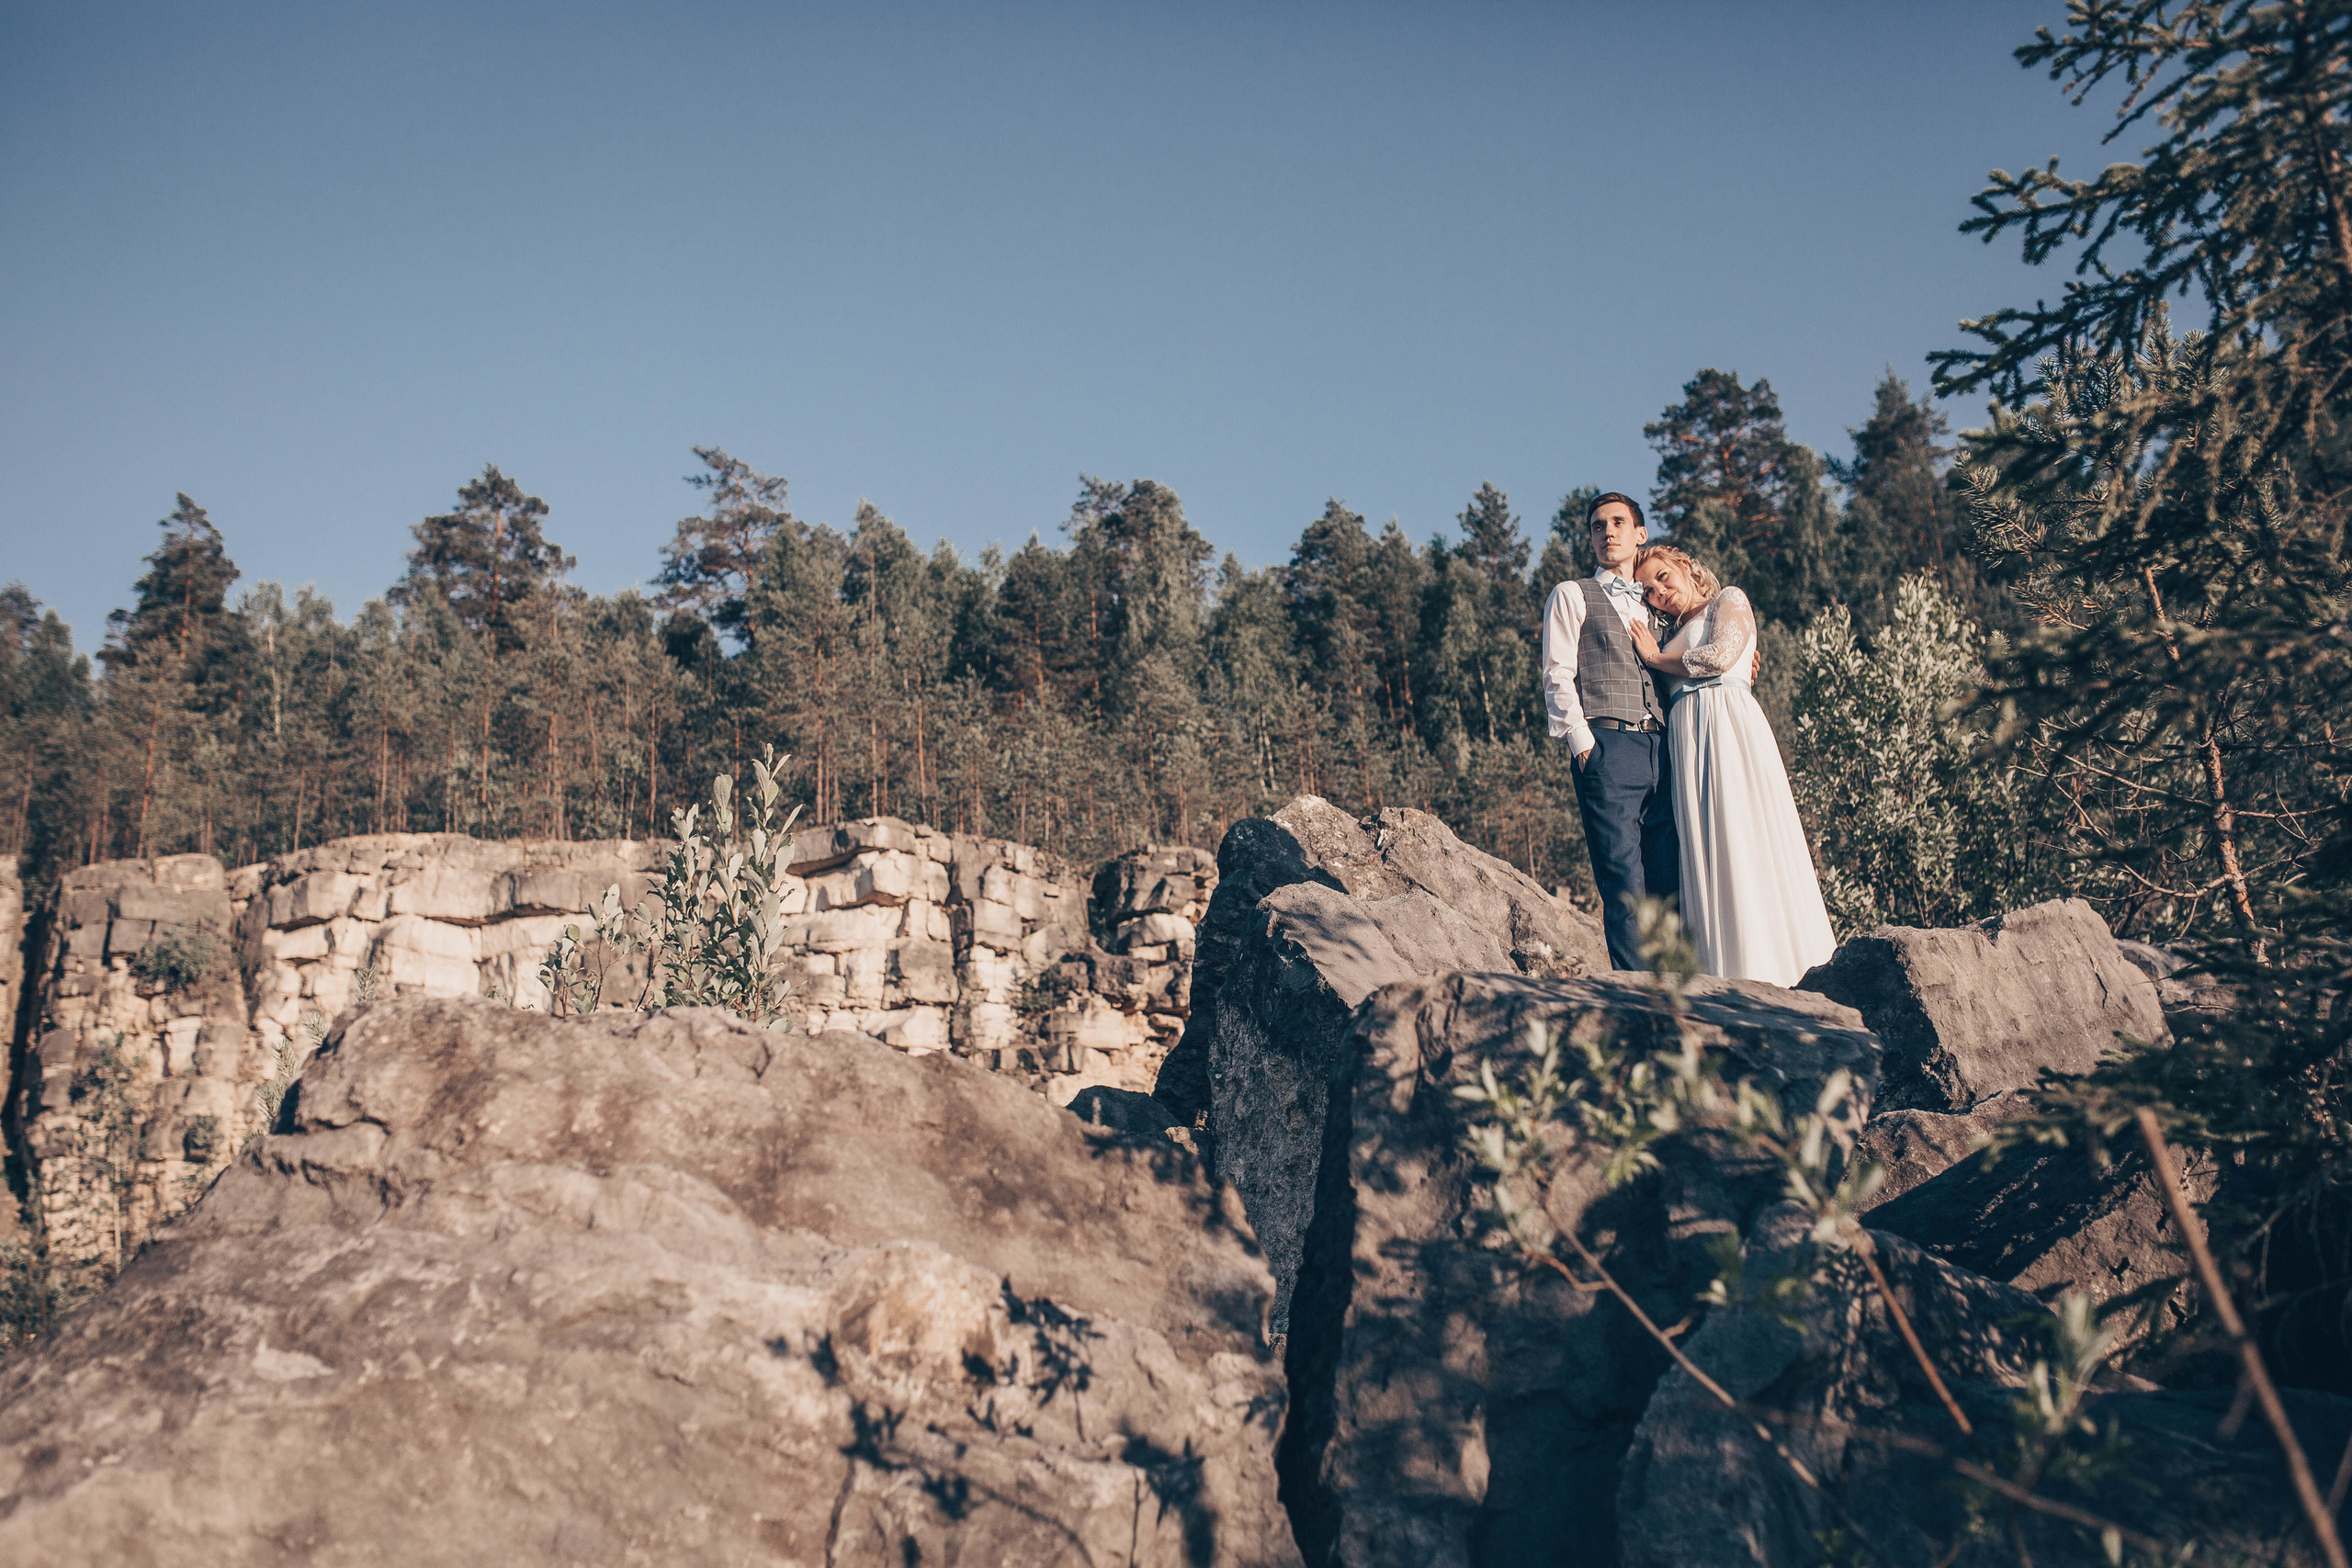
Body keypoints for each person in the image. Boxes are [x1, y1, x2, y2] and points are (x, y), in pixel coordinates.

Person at [1625, 543, 1836, 987]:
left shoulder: (1729, 599)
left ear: (1685, 567)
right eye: (1648, 589)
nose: (1659, 591)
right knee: (1708, 842)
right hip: (1688, 737)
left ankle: (1773, 968)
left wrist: (1657, 659)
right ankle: (1724, 970)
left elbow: (1721, 656)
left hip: (1726, 723)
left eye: (1664, 576)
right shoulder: (1663, 636)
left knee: (1744, 832)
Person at [1538, 492, 1679, 970]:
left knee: (1668, 880)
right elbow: (1557, 673)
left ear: (1640, 535)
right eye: (1598, 526)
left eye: (1619, 523)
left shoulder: (1660, 602)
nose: (1608, 532)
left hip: (1664, 748)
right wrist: (1583, 745)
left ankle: (1676, 997)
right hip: (1608, 747)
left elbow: (1703, 641)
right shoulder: (1572, 593)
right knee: (1623, 881)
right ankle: (1636, 1003)